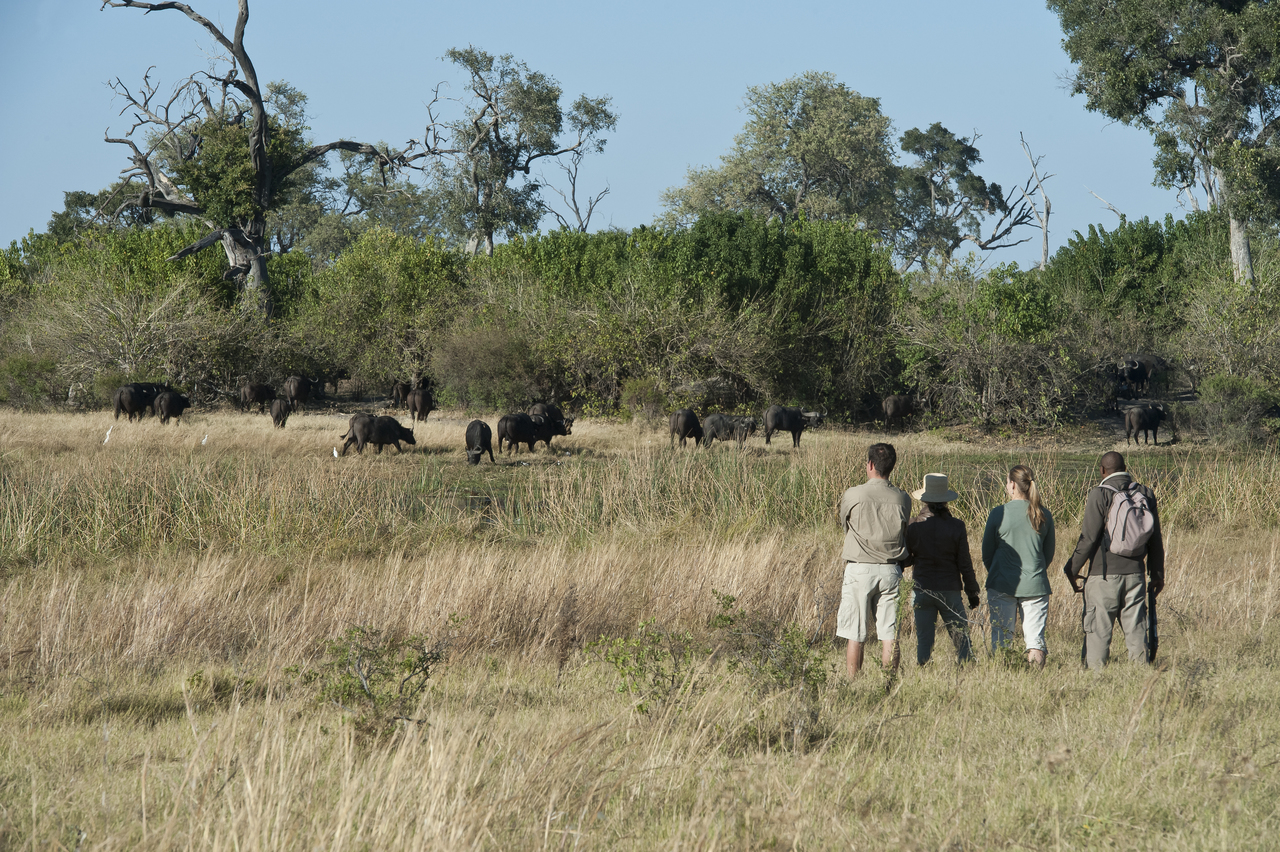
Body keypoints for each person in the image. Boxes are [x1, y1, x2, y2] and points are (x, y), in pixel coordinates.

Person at [1063, 451, 1165, 669]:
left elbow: (1089, 538)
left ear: (1102, 470)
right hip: (1136, 573)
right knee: (1137, 629)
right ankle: (1141, 674)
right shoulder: (1145, 493)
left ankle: (1096, 676)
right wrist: (1157, 574)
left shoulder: (1099, 494)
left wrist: (1072, 568)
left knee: (1098, 631)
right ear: (1125, 468)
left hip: (1103, 575)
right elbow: (1155, 538)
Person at [836, 443, 911, 679]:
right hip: (891, 570)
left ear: (870, 464)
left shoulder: (853, 494)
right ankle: (889, 682)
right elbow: (904, 530)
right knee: (890, 634)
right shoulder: (903, 498)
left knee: (855, 634)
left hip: (859, 569)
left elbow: (844, 524)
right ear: (892, 467)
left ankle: (853, 682)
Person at [982, 465, 1056, 668]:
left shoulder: (998, 513)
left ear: (1013, 485)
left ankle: (1003, 675)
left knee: (1001, 637)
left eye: (1007, 482)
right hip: (1035, 584)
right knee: (1035, 639)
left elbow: (987, 552)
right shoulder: (1044, 514)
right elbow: (1048, 554)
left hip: (1002, 582)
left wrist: (997, 571)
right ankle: (1036, 677)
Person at [905, 473, 980, 666]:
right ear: (946, 500)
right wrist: (972, 591)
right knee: (961, 638)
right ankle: (966, 668)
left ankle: (924, 669)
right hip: (949, 588)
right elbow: (964, 563)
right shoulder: (957, 526)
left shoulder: (913, 526)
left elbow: (905, 559)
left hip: (922, 587)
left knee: (924, 639)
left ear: (924, 499)